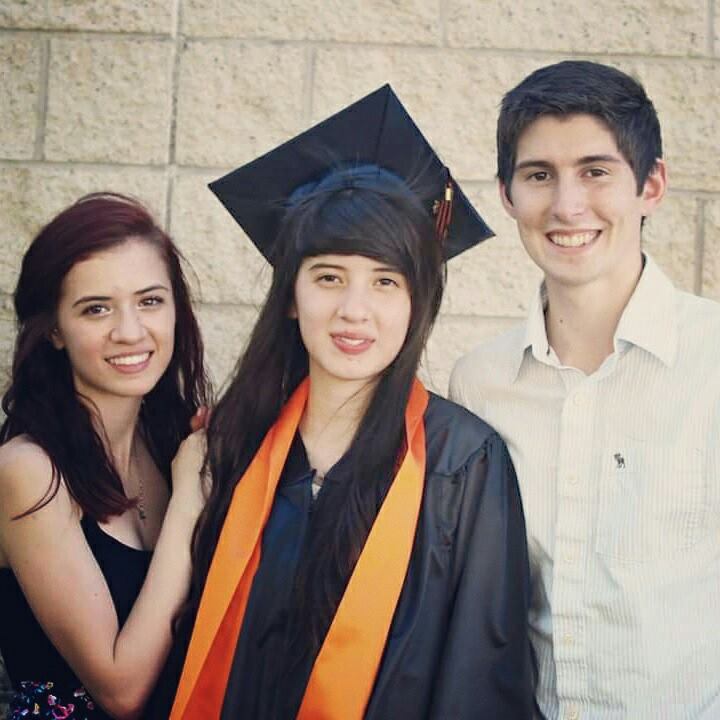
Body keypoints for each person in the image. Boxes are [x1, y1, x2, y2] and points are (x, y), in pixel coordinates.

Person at [154, 85, 537, 719]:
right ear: (291, 295)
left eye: (386, 281)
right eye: (329, 277)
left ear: (419, 304)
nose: (354, 311)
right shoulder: (233, 449)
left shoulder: (463, 465)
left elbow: (479, 682)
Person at [451, 60, 720, 719]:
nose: (567, 206)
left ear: (650, 186)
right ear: (509, 196)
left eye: (596, 171)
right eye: (539, 175)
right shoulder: (478, 383)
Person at [0, 193, 210, 720]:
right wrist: (189, 499)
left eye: (150, 301)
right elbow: (120, 690)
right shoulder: (29, 472)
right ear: (53, 329)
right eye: (96, 308)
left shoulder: (169, 446)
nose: (130, 331)